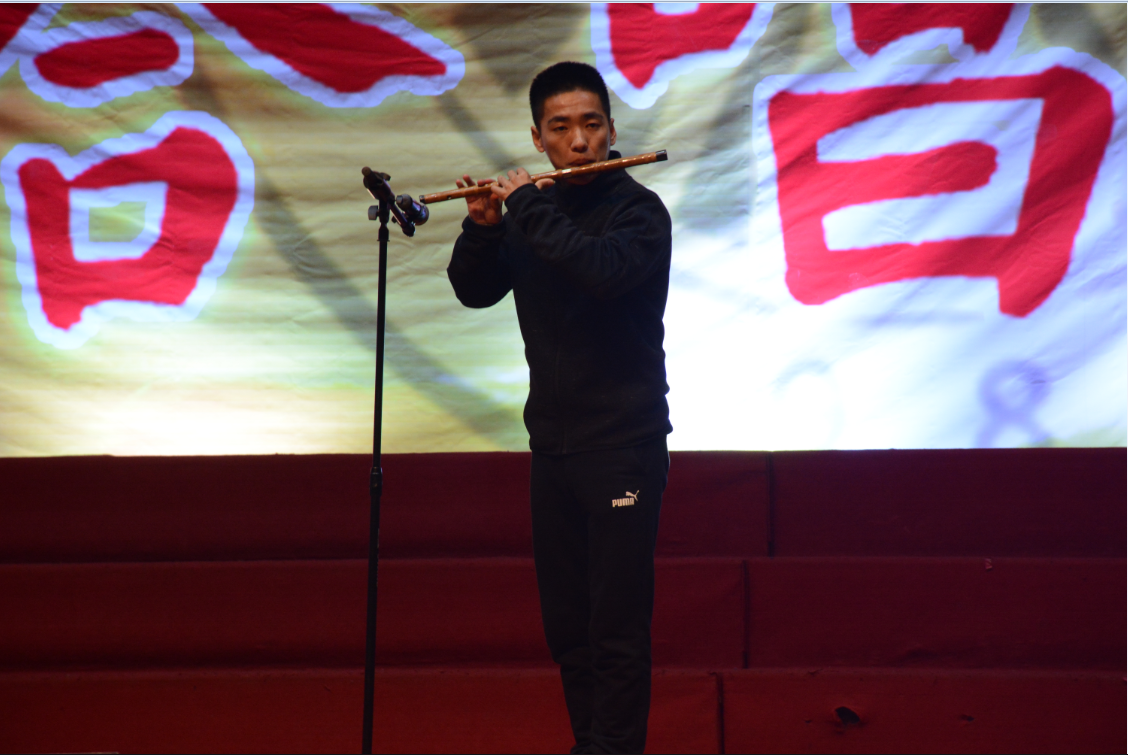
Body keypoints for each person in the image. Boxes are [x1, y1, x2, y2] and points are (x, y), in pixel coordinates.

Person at [446, 61, 672, 754]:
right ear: (538, 138)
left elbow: (599, 271)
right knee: (569, 627)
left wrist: (527, 206)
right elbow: (474, 290)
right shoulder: (531, 212)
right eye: (561, 128)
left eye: (591, 125)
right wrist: (485, 228)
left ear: (611, 130)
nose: (578, 141)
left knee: (616, 625)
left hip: (623, 443)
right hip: (553, 446)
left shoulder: (639, 212)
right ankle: (590, 744)